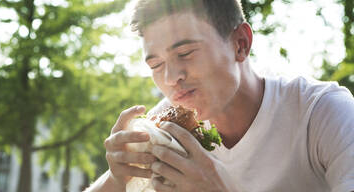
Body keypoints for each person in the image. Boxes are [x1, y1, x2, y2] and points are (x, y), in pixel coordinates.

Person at [84, 0, 354, 191]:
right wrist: (117, 180)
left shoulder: (323, 114)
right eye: (155, 65)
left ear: (240, 44)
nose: (170, 78)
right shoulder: (165, 130)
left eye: (185, 54)